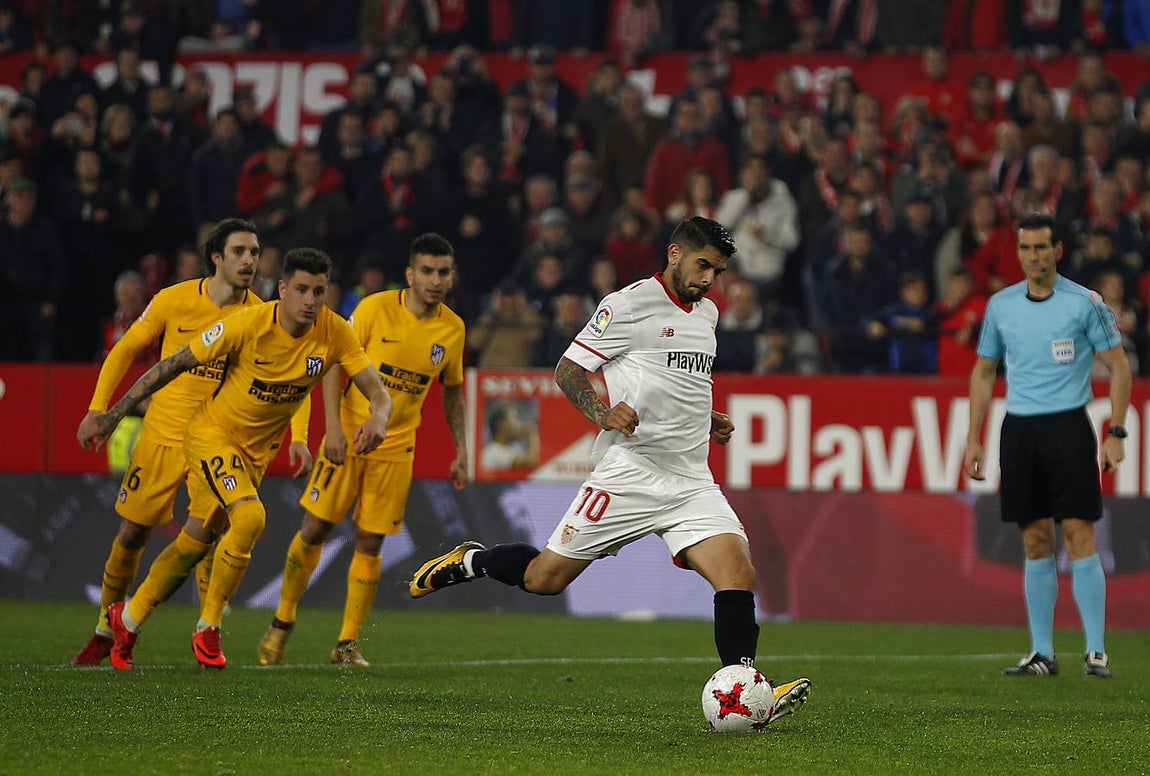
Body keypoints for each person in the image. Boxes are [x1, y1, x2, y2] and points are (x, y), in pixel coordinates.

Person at [408, 216, 811, 722]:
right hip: (630, 473)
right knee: (544, 579)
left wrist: (707, 418)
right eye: (703, 264)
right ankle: (475, 561)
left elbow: (675, 380)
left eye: (719, 270)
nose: (710, 279)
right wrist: (603, 413)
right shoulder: (626, 305)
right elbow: (568, 370)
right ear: (674, 253)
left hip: (690, 480)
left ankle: (749, 692)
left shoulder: (706, 314)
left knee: (738, 574)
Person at [77, 247, 390, 671]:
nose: (310, 301)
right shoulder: (247, 322)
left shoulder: (334, 332)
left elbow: (377, 391)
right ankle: (208, 627)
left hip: (253, 454)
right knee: (250, 519)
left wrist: (379, 418)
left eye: (319, 291)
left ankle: (127, 620)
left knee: (194, 542)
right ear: (282, 289)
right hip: (211, 435)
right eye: (301, 289)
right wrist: (112, 414)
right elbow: (173, 363)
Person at [70, 218, 314, 666]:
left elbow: (292, 374)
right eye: (239, 251)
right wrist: (97, 408)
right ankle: (107, 629)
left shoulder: (260, 313)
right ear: (217, 258)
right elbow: (124, 350)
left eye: (255, 253)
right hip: (163, 433)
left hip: (218, 439)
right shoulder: (174, 300)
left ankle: (206, 631)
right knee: (131, 534)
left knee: (207, 537)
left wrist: (299, 436)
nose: (249, 261)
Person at [257, 234, 468, 667]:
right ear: (410, 274)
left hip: (396, 448)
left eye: (443, 272)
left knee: (370, 542)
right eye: (426, 271)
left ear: (451, 276)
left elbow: (452, 392)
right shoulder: (373, 309)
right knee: (315, 529)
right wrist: (332, 430)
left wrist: (460, 449)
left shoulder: (453, 329)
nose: (435, 280)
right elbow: (336, 362)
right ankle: (282, 621)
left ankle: (347, 643)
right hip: (349, 438)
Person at [964, 213, 1130, 679]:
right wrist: (973, 438)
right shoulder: (1001, 305)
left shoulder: (1086, 303)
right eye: (1024, 248)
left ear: (1058, 249)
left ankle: (1095, 650)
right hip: (1019, 430)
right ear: (1017, 252)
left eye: (1040, 248)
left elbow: (1119, 368)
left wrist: (1115, 433)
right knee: (1034, 539)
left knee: (1078, 533)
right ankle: (1042, 652)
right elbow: (983, 371)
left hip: (1069, 429)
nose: (1032, 257)